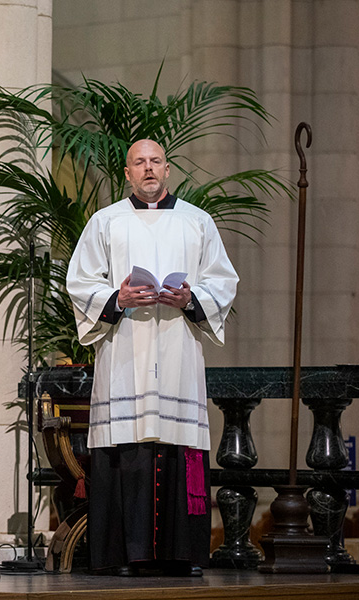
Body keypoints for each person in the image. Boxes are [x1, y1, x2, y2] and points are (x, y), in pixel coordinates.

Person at [66, 139, 238, 576]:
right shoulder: (105, 222)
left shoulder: (197, 222)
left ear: (168, 169)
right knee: (127, 447)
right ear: (127, 173)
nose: (148, 169)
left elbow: (222, 280)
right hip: (125, 349)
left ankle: (183, 555)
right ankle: (123, 556)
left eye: (155, 162)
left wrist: (191, 297)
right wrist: (116, 297)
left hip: (178, 349)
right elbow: (80, 282)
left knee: (179, 446)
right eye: (139, 163)